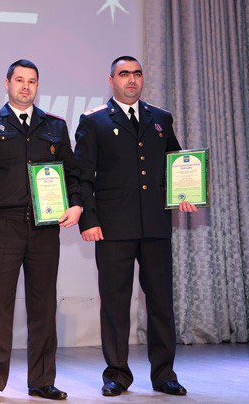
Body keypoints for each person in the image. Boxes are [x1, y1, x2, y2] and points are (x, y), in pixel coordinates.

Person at [74, 55, 198, 397]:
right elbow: (83, 176)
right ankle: (116, 374)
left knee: (161, 302)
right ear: (111, 80)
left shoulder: (160, 118)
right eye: (124, 74)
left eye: (137, 74)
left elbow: (175, 163)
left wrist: (186, 193)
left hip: (155, 225)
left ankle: (164, 374)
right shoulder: (94, 120)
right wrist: (88, 219)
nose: (132, 80)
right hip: (112, 227)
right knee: (115, 304)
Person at [0, 59, 82, 402]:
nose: (26, 86)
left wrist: (76, 204)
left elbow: (71, 173)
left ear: (37, 86)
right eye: (19, 80)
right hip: (2, 225)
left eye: (32, 81)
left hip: (45, 226)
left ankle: (42, 381)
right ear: (7, 83)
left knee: (43, 305)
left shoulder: (55, 126)